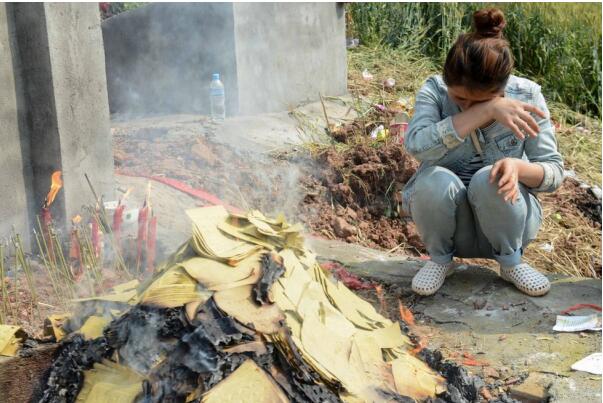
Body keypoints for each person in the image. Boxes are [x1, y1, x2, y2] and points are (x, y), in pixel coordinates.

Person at [402, 8, 563, 297]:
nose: (465, 106)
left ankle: (511, 263)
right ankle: (440, 260)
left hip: (506, 223)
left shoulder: (527, 96)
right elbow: (416, 145)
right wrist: (485, 110)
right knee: (432, 179)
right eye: (460, 98)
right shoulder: (435, 91)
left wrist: (518, 168)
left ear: (503, 87)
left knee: (491, 176)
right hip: (449, 224)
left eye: (480, 100)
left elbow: (553, 171)